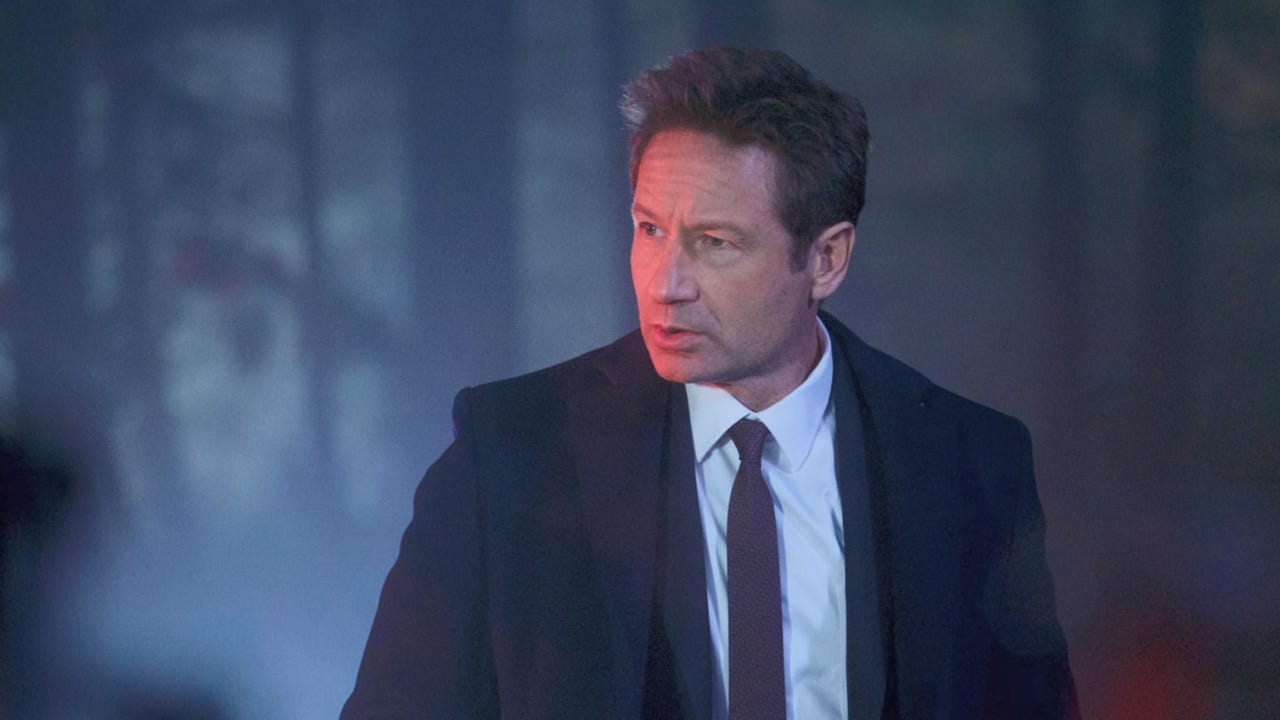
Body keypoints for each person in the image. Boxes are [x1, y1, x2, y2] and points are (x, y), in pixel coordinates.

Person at [341, 47, 1078, 720]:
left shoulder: (971, 464)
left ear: (826, 260)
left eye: (715, 243)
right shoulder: (509, 452)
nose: (666, 284)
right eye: (650, 229)